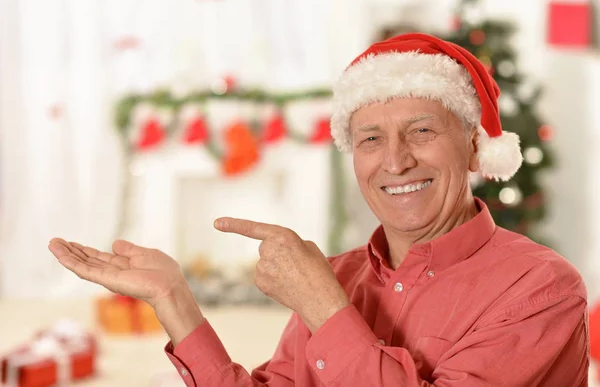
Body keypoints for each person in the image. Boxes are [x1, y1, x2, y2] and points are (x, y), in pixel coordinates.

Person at [48, 33, 589, 386]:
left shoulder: (541, 288)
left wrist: (326, 309)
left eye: (422, 131)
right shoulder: (342, 274)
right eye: (371, 139)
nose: (395, 161)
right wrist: (174, 299)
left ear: (474, 147)